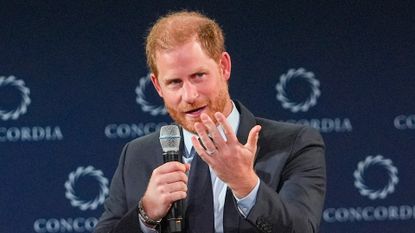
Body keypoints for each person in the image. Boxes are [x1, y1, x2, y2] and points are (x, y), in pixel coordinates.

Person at [94, 11, 326, 233]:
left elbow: (302, 228)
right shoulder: (136, 155)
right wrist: (146, 214)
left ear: (223, 66)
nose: (190, 95)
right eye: (175, 82)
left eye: (198, 76)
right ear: (157, 86)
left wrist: (245, 185)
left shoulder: (294, 144)